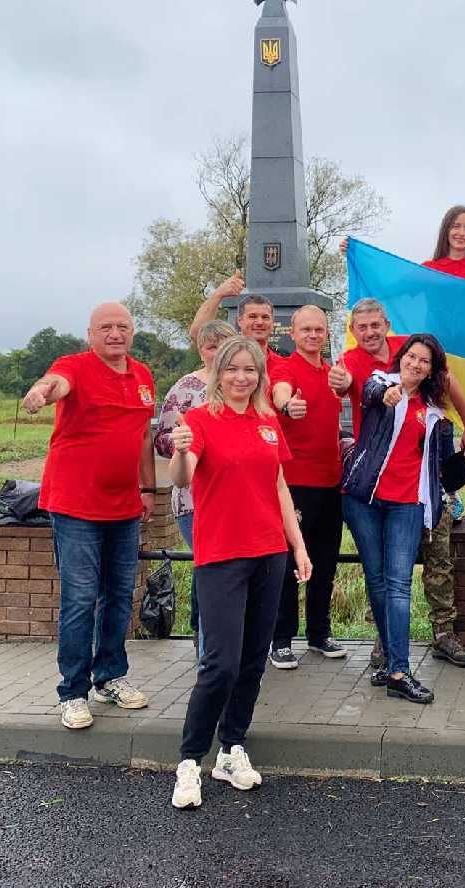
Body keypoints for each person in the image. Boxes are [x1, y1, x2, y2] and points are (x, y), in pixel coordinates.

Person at [167, 336, 311, 810]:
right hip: (222, 555)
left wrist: (298, 546)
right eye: (233, 369)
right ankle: (190, 760)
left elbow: (280, 486)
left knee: (252, 661)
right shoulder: (200, 421)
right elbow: (182, 477)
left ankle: (231, 749)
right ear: (218, 373)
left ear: (260, 376)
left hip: (269, 554)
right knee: (220, 663)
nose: (241, 378)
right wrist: (181, 451)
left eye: (250, 370)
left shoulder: (269, 421)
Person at [20, 302, 155, 731]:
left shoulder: (143, 375)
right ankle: (73, 692)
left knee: (118, 595)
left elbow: (142, 437)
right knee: (80, 598)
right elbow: (56, 382)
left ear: (132, 332)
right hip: (76, 505)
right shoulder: (74, 365)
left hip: (124, 506)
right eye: (106, 328)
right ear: (91, 333)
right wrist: (41, 392)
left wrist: (147, 489)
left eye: (123, 327)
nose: (115, 334)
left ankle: (110, 677)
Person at [331, 297, 465, 670]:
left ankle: (443, 633)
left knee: (439, 559)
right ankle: (387, 642)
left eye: (375, 325)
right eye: (361, 327)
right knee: (384, 575)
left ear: (386, 324)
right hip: (374, 482)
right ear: (353, 330)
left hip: (423, 483)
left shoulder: (410, 350)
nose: (369, 332)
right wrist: (381, 392)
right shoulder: (360, 367)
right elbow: (363, 387)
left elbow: (448, 382)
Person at [341, 333, 455, 705]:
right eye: (412, 356)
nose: (416, 364)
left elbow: (445, 469)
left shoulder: (435, 412)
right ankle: (392, 663)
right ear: (401, 358)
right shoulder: (381, 382)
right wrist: (390, 394)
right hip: (364, 499)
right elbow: (371, 393)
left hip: (407, 504)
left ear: (431, 370)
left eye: (425, 361)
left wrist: (457, 456)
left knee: (399, 584)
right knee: (376, 581)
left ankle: (399, 671)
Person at [266, 305, 347, 669]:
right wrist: (287, 406)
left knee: (325, 563)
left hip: (331, 483)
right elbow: (281, 393)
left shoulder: (332, 374)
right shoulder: (285, 368)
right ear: (293, 334)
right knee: (287, 566)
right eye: (306, 330)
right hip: (295, 484)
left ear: (326, 334)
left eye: (319, 330)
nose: (313, 335)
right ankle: (281, 639)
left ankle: (318, 633)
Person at [154, 319, 236, 654]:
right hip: (195, 500)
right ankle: (208, 657)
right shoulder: (185, 389)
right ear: (200, 350)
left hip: (235, 499)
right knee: (212, 574)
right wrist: (189, 443)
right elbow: (160, 439)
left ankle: (225, 652)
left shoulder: (245, 385)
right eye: (210, 346)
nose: (217, 353)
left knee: (229, 578)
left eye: (223, 345)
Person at [190, 274, 287, 380]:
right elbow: (198, 333)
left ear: (272, 322)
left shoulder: (284, 362)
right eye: (252, 316)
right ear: (239, 321)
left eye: (265, 317)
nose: (259, 322)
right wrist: (218, 294)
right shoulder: (227, 356)